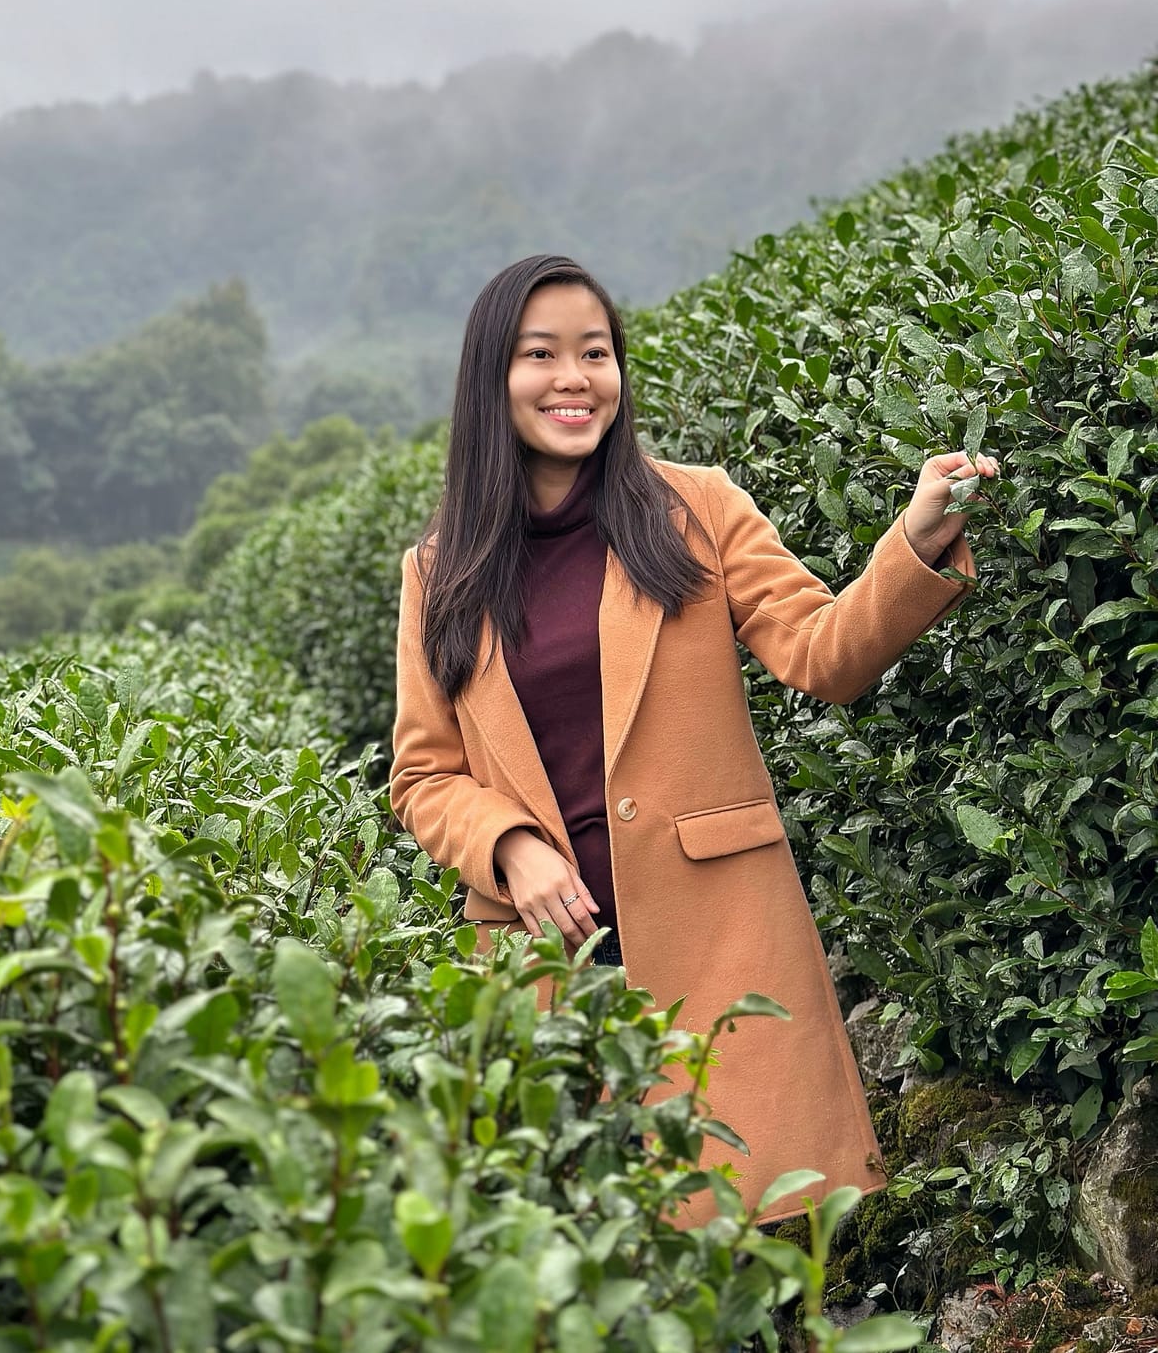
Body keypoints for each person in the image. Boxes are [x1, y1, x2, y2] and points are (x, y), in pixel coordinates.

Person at [390, 253, 998, 1226]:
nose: (573, 378)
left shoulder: (696, 510)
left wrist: (915, 542)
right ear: (490, 381)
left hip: (714, 935)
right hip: (545, 961)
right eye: (539, 354)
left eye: (595, 351)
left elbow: (823, 654)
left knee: (741, 1242)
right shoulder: (439, 572)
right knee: (592, 1258)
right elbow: (424, 775)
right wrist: (510, 848)